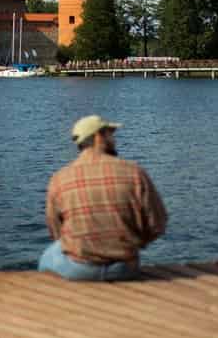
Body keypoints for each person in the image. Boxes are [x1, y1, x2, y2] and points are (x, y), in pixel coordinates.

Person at [38, 115, 167, 281]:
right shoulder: (134, 172)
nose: (114, 139)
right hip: (124, 268)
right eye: (110, 134)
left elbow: (55, 230)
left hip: (79, 269)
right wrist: (135, 243)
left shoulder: (59, 178)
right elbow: (157, 223)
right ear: (99, 137)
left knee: (48, 255)